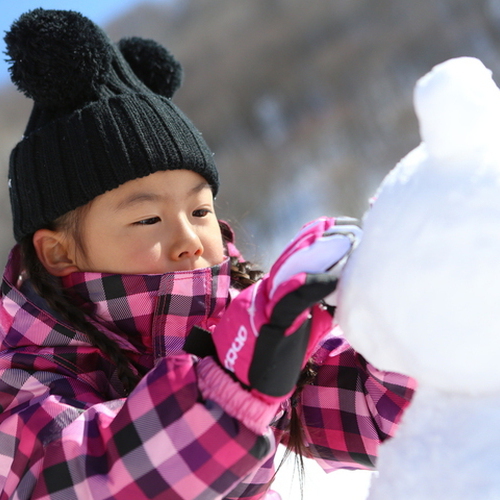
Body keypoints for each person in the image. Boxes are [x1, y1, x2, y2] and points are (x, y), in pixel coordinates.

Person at [0, 9, 415, 500]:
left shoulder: (227, 320)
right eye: (148, 219)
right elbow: (84, 478)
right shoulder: (24, 375)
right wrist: (229, 388)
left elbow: (377, 416)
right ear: (58, 252)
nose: (190, 239)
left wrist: (407, 296)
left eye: (199, 211)